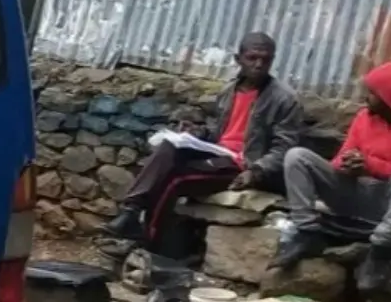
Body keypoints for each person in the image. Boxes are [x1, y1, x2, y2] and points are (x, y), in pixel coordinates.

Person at [102, 31, 303, 245]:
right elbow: (218, 133)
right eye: (252, 58)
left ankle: (148, 241)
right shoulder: (228, 91)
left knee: (175, 178)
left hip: (243, 164)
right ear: (238, 59)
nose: (259, 64)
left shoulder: (284, 99)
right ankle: (131, 211)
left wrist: (256, 171)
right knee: (168, 146)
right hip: (218, 154)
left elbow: (284, 148)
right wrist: (197, 133)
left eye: (266, 59)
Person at [275, 62, 391, 290]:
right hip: (354, 194)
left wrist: (370, 165)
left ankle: (381, 250)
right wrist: (345, 164)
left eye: (373, 92)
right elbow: (340, 159)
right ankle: (306, 233)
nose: (366, 97)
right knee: (297, 156)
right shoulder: (364, 117)